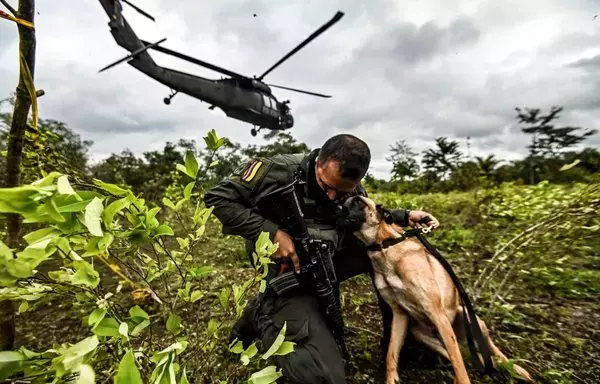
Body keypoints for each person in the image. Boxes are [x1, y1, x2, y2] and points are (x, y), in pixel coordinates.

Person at [204, 134, 439, 384]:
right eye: (326, 186)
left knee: (390, 249)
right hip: (285, 270)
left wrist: (403, 216)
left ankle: (409, 341)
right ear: (319, 163)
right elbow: (218, 198)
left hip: (326, 258)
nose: (331, 196)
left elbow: (362, 217)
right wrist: (272, 234)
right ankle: (264, 310)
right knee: (320, 376)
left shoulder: (352, 187)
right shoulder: (277, 170)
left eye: (341, 193)